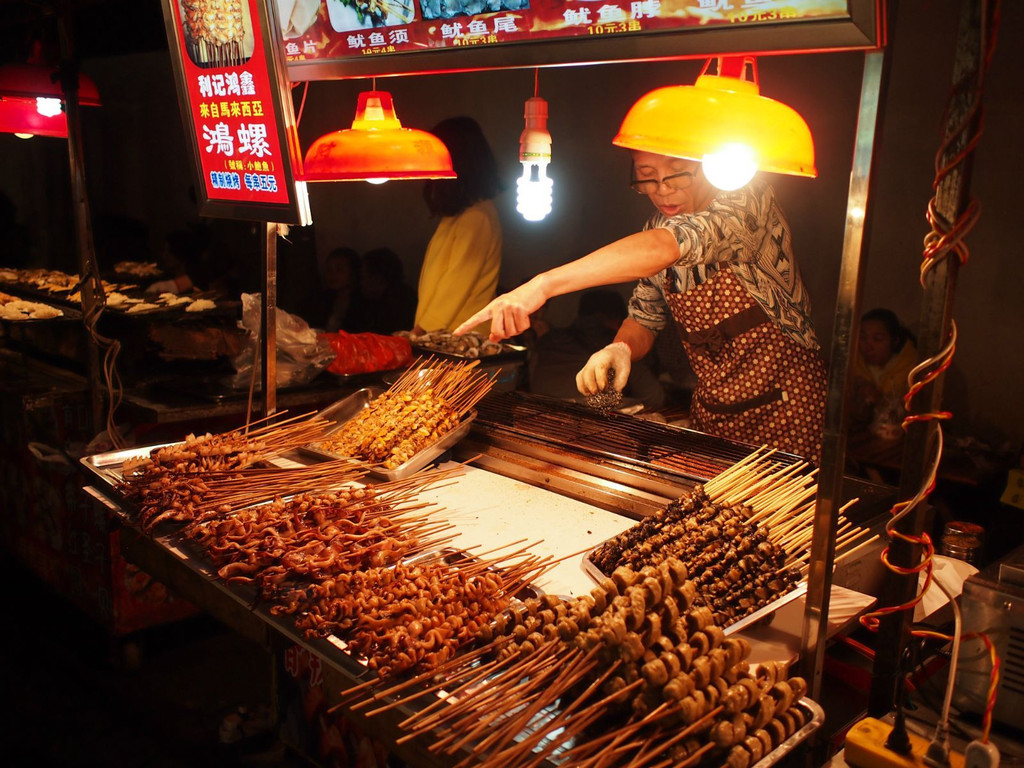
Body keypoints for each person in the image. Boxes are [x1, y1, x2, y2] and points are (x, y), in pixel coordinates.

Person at [456, 150, 828, 462]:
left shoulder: (748, 201)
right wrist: (620, 348)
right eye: (648, 177)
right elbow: (644, 317)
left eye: (677, 174)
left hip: (786, 406)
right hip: (714, 412)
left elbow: (663, 247)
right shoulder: (657, 224)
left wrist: (543, 284)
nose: (662, 190)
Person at [414, 116, 503, 334]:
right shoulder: (462, 215)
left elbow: (453, 288)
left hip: (458, 343)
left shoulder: (476, 218)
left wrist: (420, 333)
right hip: (444, 339)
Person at [529, 288, 664, 408]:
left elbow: (531, 375)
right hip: (590, 415)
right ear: (615, 318)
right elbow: (654, 396)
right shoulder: (614, 347)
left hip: (541, 408)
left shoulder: (551, 337)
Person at [848, 307, 918, 439]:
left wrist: (881, 400)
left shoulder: (912, 369)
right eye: (863, 338)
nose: (868, 346)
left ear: (895, 341)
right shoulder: (853, 361)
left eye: (877, 339)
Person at [360, 247, 417, 335]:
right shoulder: (380, 300)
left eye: (363, 277)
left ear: (377, 278)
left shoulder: (398, 303)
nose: (361, 282)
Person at [312, 246, 367, 332]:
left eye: (339, 269)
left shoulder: (361, 301)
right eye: (328, 269)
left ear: (352, 273)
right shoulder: (325, 297)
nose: (332, 274)